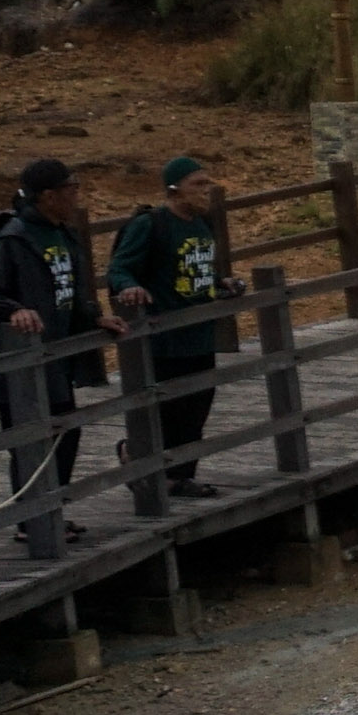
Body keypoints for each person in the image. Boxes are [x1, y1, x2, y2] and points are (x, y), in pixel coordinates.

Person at [0, 155, 122, 540]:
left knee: (65, 432)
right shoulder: (11, 238)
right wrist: (14, 311)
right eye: (71, 189)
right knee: (29, 441)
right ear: (48, 195)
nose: (77, 196)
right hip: (21, 360)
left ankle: (51, 509)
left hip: (60, 355)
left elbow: (69, 290)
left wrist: (93, 317)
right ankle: (30, 521)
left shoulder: (64, 234)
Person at [110, 155, 241, 497]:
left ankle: (179, 475)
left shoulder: (203, 224)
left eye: (207, 183)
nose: (206, 190)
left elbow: (195, 272)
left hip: (199, 331)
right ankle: (135, 455)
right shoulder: (151, 224)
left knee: (197, 407)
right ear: (174, 189)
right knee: (165, 408)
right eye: (198, 184)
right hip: (163, 335)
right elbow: (119, 268)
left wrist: (220, 283)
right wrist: (128, 287)